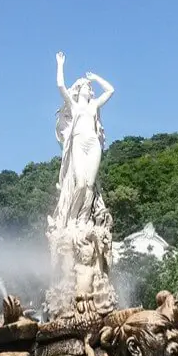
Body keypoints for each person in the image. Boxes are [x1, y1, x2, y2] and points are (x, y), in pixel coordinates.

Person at [50, 51, 115, 228]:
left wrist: (95, 77)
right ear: (78, 91)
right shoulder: (74, 105)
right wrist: (60, 64)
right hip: (78, 142)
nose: (88, 88)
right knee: (80, 183)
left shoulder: (94, 105)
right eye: (85, 86)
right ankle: (71, 218)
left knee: (90, 185)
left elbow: (110, 90)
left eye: (89, 86)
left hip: (93, 143)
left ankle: (83, 219)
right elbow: (61, 85)